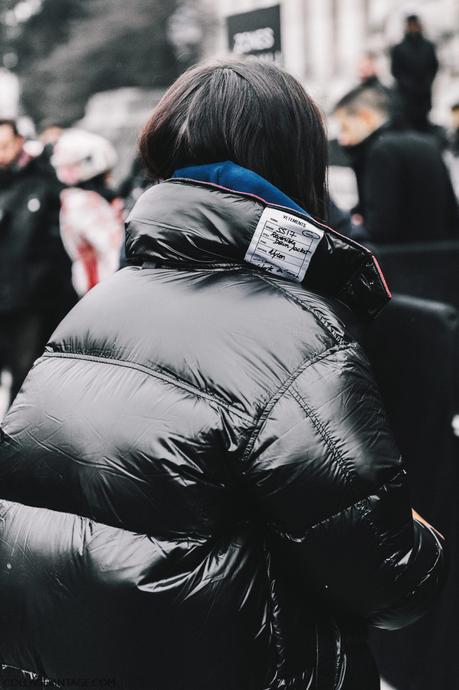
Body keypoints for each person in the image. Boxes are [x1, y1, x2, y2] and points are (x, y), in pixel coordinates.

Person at [0, 60, 445, 690]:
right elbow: (392, 577)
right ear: (298, 160)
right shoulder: (296, 330)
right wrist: (422, 534)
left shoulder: (94, 307)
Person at [0, 119, 75, 407]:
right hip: (7, 293)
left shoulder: (44, 180)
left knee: (24, 377)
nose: (1, 153)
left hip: (30, 297)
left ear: (20, 141)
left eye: (5, 145)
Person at [333, 84, 459, 243]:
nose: (342, 138)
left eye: (345, 127)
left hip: (401, 260)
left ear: (366, 118)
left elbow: (380, 228)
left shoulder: (381, 151)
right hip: (439, 256)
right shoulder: (425, 142)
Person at [51, 129, 124, 296]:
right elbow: (114, 250)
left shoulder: (73, 200)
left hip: (94, 287)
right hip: (104, 288)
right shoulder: (84, 203)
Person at [390, 14, 439, 131]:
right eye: (410, 25)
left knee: (423, 126)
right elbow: (395, 70)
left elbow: (433, 67)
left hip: (423, 95)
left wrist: (426, 83)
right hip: (405, 97)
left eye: (414, 25)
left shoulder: (428, 47)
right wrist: (408, 84)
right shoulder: (398, 49)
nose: (413, 28)